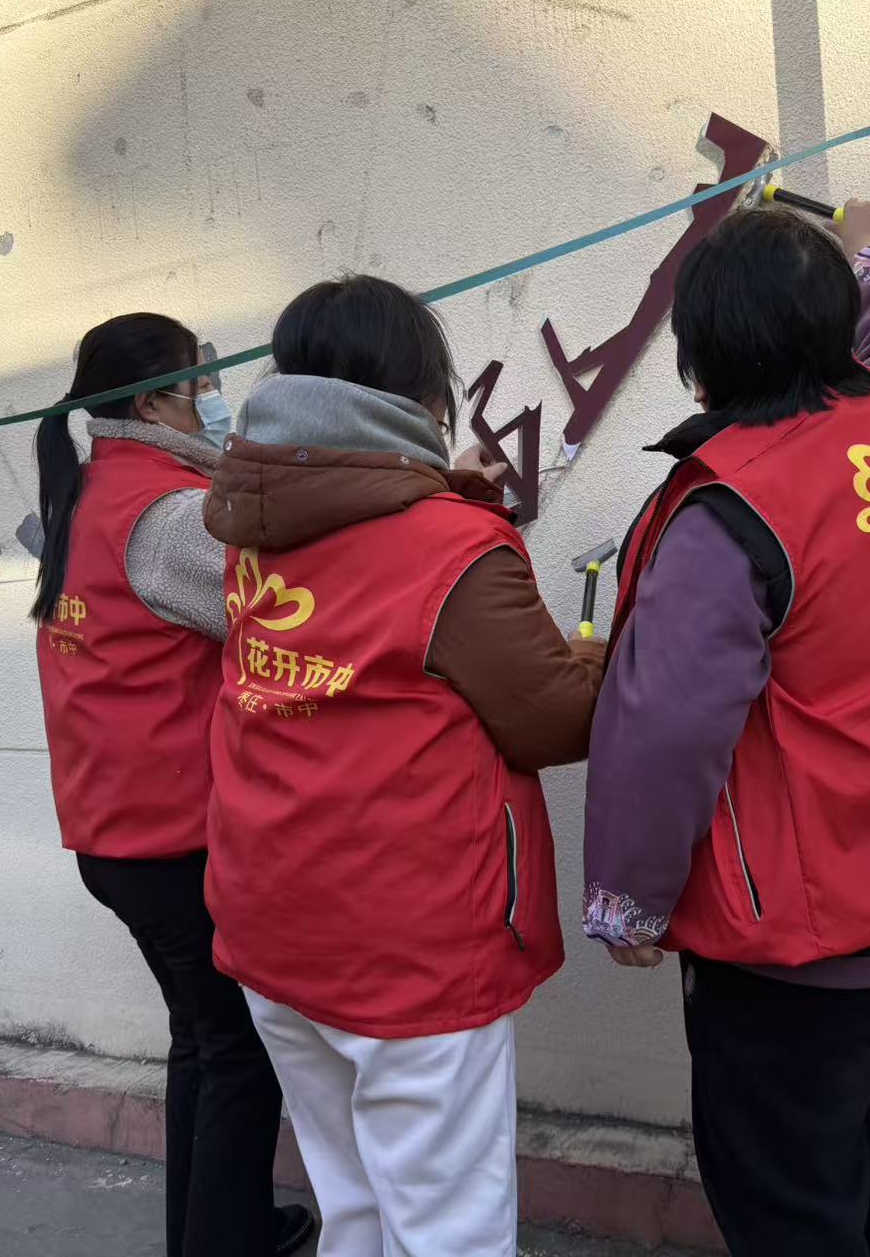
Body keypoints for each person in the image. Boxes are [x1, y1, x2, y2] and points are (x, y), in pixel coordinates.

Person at [581, 201, 870, 1257]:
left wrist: (627, 903)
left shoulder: (728, 514)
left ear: (698, 366)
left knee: (796, 1213)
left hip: (803, 954)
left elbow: (662, 733)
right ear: (838, 328)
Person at [202, 276, 604, 1257]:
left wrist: (456, 503)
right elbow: (553, 716)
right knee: (448, 1227)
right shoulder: (452, 545)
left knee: (358, 1206)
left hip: (272, 919)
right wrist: (606, 652)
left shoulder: (254, 516)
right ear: (422, 398)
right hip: (406, 945)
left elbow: (375, 596)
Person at [32, 313, 314, 1257]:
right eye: (203, 380)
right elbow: (285, 616)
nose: (215, 396)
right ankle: (225, 1242)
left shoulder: (92, 491)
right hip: (172, 843)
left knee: (201, 1039)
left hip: (112, 837)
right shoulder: (164, 516)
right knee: (238, 1054)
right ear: (154, 402)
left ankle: (214, 1231)